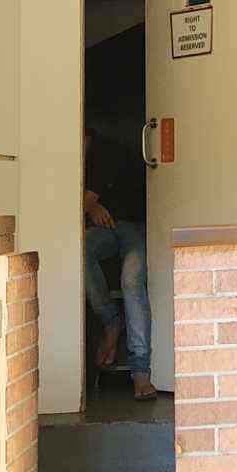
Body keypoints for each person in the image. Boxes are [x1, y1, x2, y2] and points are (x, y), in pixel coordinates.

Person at [84, 126, 157, 399]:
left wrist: (90, 205)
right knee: (79, 250)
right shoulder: (81, 154)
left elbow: (80, 202)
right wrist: (91, 207)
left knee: (131, 280)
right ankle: (111, 321)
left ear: (86, 137)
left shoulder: (107, 151)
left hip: (137, 226)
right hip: (107, 228)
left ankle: (140, 372)